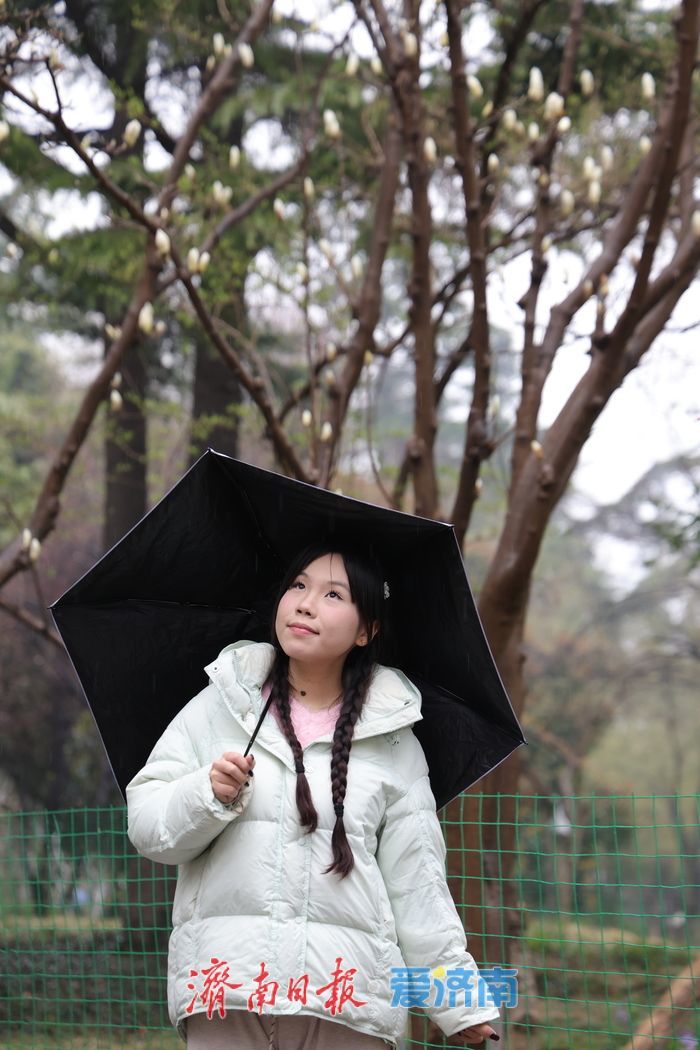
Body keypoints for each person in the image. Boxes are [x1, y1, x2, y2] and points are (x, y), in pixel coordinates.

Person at [126, 543, 501, 1049]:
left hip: (347, 1009)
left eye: (333, 595)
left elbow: (418, 885)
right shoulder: (221, 705)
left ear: (366, 630)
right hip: (228, 1000)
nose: (305, 604)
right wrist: (206, 794)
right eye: (298, 586)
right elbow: (148, 828)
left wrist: (459, 1002)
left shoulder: (393, 740)